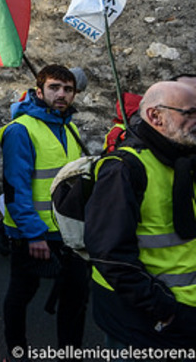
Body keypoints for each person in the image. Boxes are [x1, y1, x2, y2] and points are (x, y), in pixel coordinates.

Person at [85, 80, 196, 349]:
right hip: (142, 322)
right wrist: (164, 309)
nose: (195, 120)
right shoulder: (124, 168)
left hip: (182, 315)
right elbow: (109, 254)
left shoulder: (182, 160)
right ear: (155, 116)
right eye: (189, 113)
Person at [0, 64, 88, 361]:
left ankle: (70, 353)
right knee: (22, 293)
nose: (61, 94)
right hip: (34, 232)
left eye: (67, 89)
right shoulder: (20, 130)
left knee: (76, 298)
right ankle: (17, 351)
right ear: (39, 91)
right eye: (54, 87)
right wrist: (33, 233)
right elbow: (16, 187)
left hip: (70, 232)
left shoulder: (71, 128)